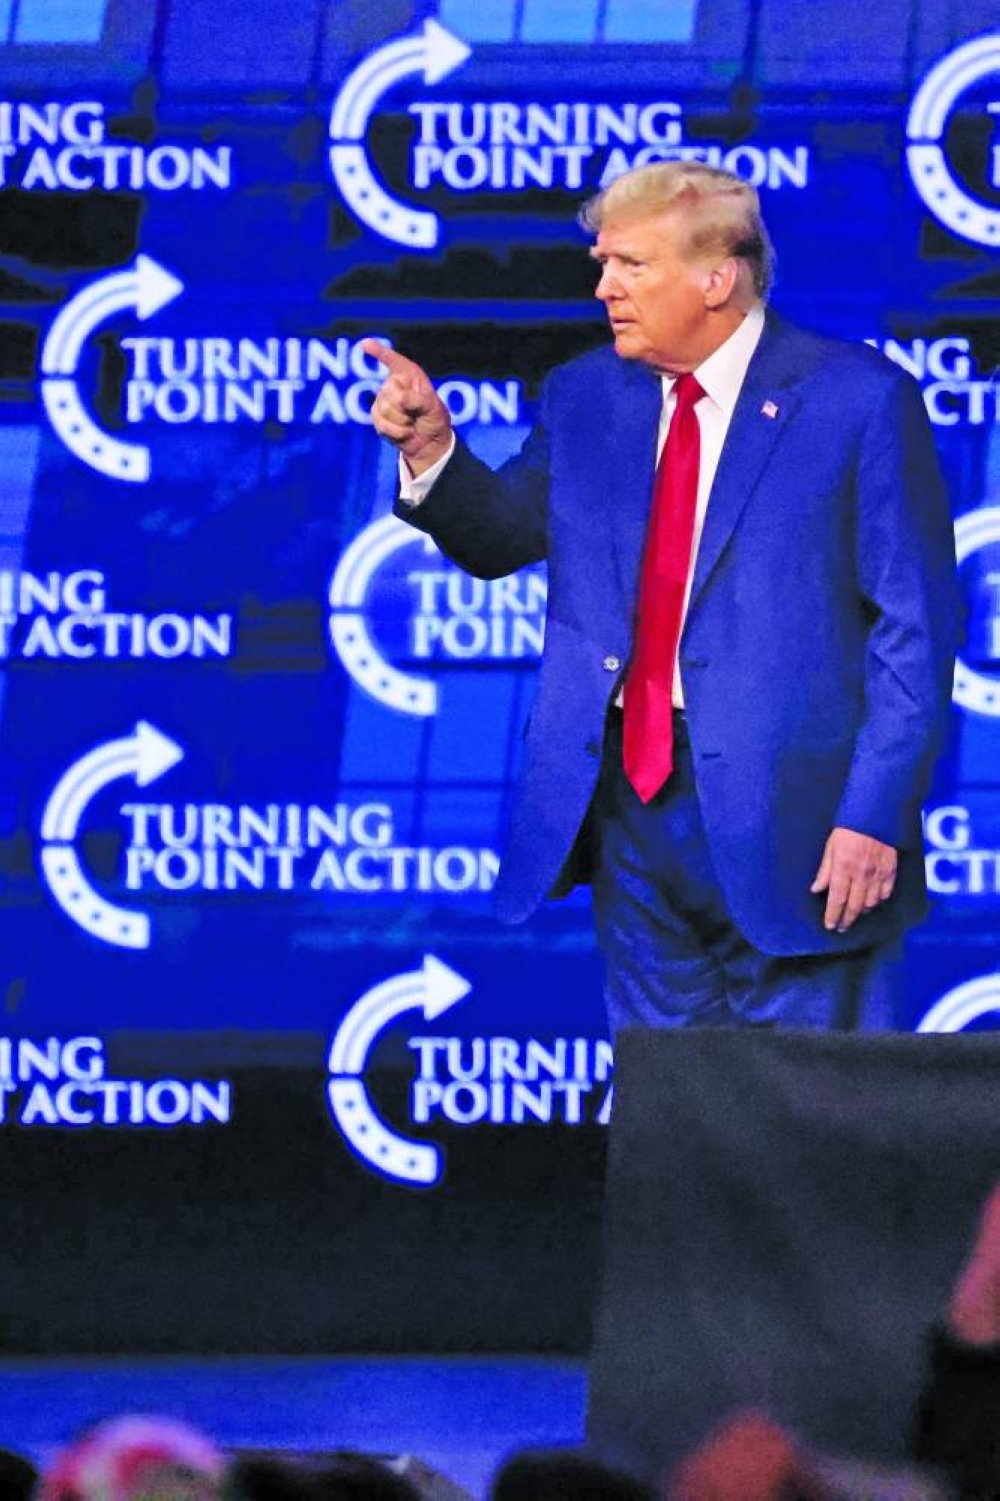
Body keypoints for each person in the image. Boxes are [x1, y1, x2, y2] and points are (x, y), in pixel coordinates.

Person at [365, 161, 959, 1034]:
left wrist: (873, 816)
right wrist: (435, 452)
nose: (604, 288)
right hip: (631, 811)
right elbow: (499, 539)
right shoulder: (584, 395)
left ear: (717, 278)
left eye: (630, 266)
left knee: (805, 1129)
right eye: (602, 263)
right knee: (668, 1123)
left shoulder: (855, 400)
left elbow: (913, 631)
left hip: (804, 828)